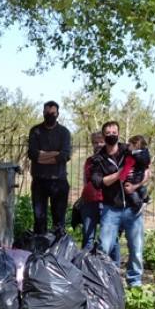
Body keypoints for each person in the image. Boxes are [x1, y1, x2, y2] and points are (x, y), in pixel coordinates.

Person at [90, 121, 149, 288]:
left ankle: (135, 284)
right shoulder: (98, 158)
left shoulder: (129, 150)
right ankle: (102, 283)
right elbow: (99, 182)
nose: (111, 135)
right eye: (108, 133)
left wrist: (136, 186)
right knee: (104, 247)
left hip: (133, 209)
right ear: (103, 135)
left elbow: (147, 171)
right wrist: (120, 174)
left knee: (136, 248)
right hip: (111, 209)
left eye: (114, 132)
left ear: (119, 133)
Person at [26, 100, 72, 234]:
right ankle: (40, 250)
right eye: (47, 113)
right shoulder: (35, 131)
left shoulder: (64, 132)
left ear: (58, 114)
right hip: (39, 181)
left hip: (59, 180)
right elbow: (33, 154)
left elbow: (64, 155)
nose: (50, 115)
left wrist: (42, 156)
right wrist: (54, 156)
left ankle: (58, 250)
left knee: (59, 220)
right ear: (43, 113)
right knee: (39, 219)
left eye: (53, 113)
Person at [80, 132, 121, 263]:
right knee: (88, 236)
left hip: (108, 202)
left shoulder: (112, 161)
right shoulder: (89, 161)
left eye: (101, 142)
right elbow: (86, 181)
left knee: (111, 238)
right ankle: (87, 266)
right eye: (95, 142)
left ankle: (113, 267)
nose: (98, 145)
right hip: (89, 201)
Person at [121, 135, 152, 214]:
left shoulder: (135, 156)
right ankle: (146, 198)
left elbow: (127, 168)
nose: (128, 146)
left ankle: (138, 204)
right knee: (140, 188)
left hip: (135, 177)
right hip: (139, 175)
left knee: (130, 190)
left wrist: (122, 178)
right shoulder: (144, 152)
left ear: (136, 145)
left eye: (130, 144)